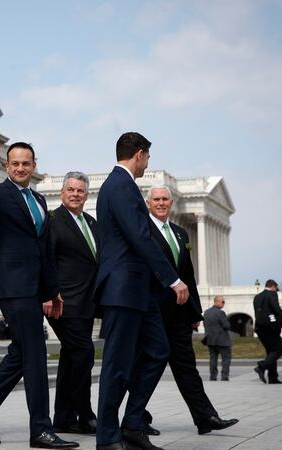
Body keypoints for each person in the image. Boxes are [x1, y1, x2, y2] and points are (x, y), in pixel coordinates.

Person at [0, 142, 77, 449]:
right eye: (15, 163)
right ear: (6, 166)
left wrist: (52, 291)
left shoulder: (38, 198)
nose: (20, 168)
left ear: (34, 165)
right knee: (35, 355)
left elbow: (44, 250)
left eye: (26, 163)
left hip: (33, 288)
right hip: (11, 285)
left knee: (21, 354)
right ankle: (40, 429)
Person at [94, 132, 189, 450]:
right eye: (148, 157)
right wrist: (172, 279)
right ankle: (107, 437)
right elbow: (140, 237)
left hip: (138, 291)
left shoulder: (121, 187)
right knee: (116, 366)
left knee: (159, 350)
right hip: (123, 288)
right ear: (139, 153)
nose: (148, 163)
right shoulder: (120, 186)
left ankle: (133, 423)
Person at [142, 186, 238, 435]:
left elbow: (188, 276)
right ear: (148, 202)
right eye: (157, 200)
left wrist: (195, 314)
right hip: (152, 312)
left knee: (187, 367)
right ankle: (137, 417)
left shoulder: (180, 233)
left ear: (171, 202)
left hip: (179, 315)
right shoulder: (142, 230)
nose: (161, 203)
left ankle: (206, 417)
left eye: (165, 199)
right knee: (146, 366)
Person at [46, 171, 98, 436]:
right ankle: (85, 414)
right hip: (62, 302)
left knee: (70, 357)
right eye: (71, 190)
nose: (76, 194)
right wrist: (48, 293)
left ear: (86, 196)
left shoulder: (91, 222)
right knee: (83, 353)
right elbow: (46, 259)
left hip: (86, 304)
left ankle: (63, 418)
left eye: (80, 191)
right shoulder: (53, 220)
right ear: (62, 193)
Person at [253, 279, 282, 384]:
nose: (276, 290)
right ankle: (261, 367)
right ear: (273, 286)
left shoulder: (257, 297)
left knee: (271, 352)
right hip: (271, 328)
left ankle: (272, 377)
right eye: (276, 288)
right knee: (277, 350)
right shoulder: (272, 294)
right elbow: (276, 308)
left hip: (260, 328)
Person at [203, 295, 232, 381]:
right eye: (222, 302)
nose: (224, 303)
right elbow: (227, 325)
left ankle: (213, 376)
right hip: (222, 340)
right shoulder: (220, 313)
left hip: (210, 339)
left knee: (213, 358)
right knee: (226, 358)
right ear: (216, 302)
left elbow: (205, 325)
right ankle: (224, 376)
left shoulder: (206, 312)